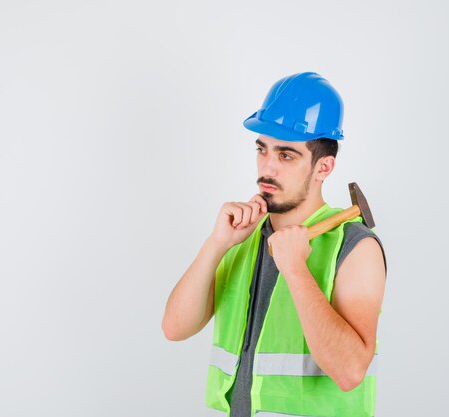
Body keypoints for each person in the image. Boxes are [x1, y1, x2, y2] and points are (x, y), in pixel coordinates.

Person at [162, 72, 387, 417]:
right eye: (262, 149)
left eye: (286, 156)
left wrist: (296, 270)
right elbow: (175, 328)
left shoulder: (354, 246)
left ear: (323, 167)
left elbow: (350, 371)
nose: (267, 167)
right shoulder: (244, 236)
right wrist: (217, 243)